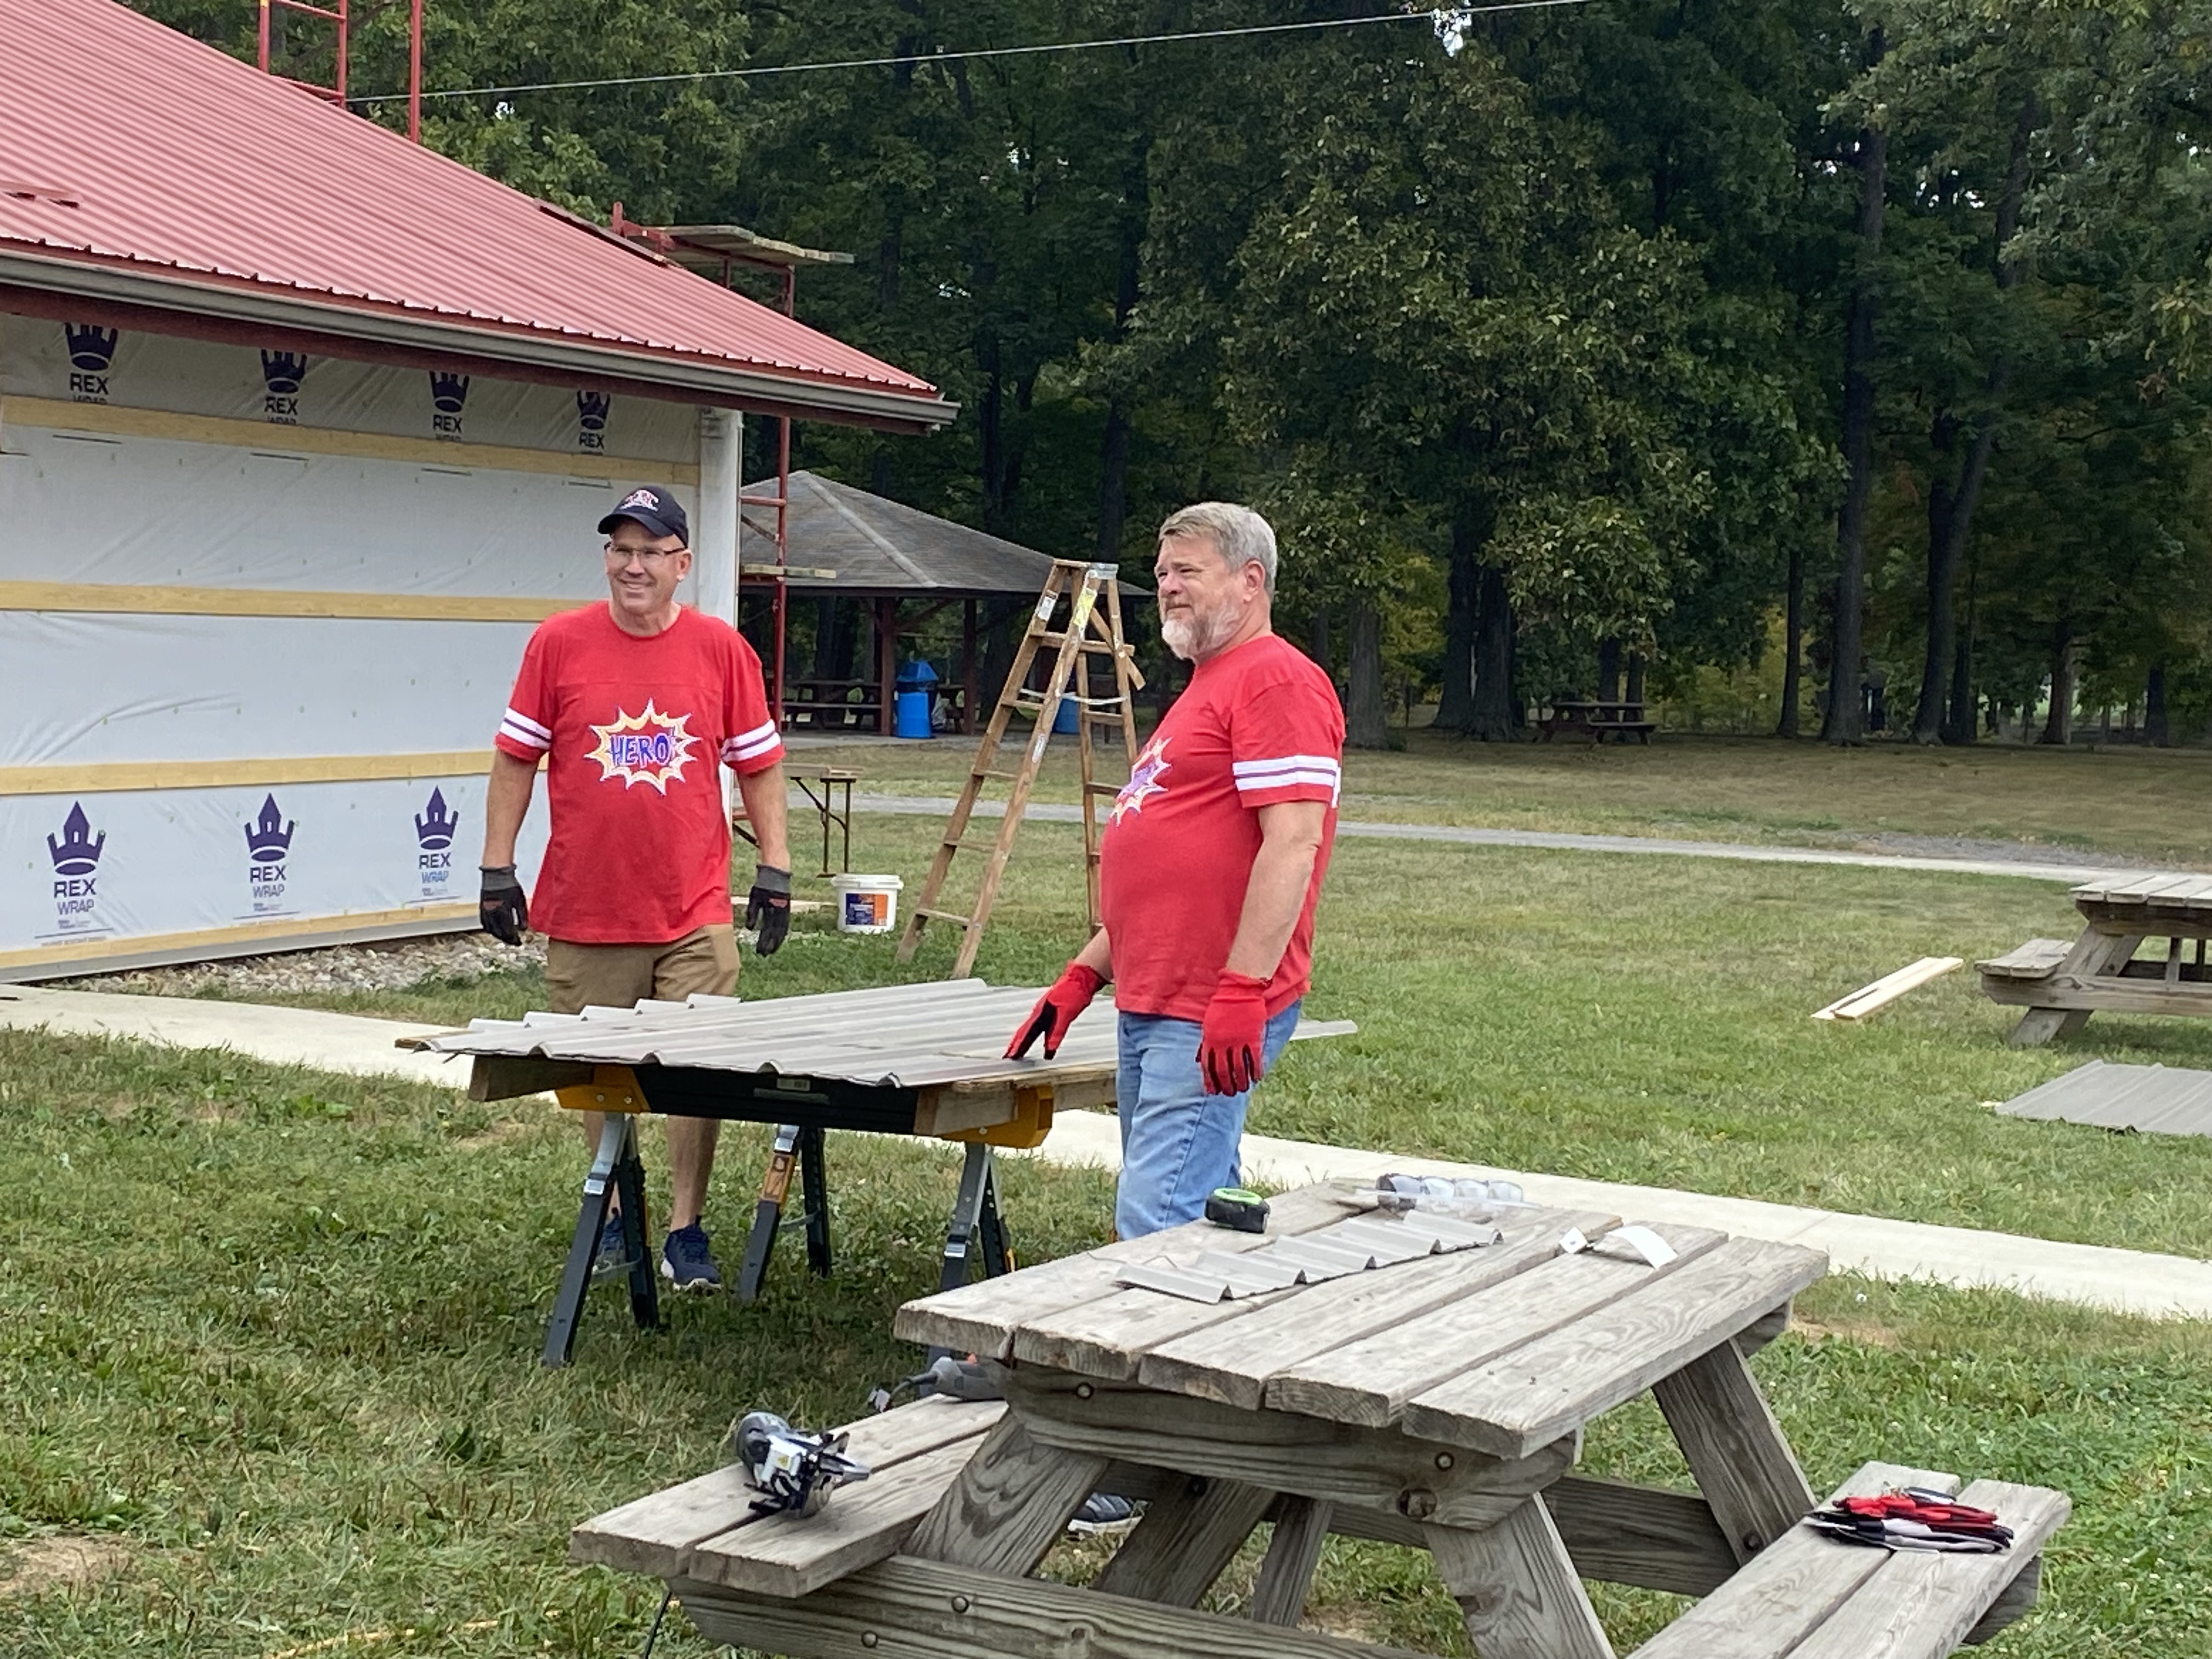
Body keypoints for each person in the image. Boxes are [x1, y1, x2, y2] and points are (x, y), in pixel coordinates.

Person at [479, 484, 792, 1293]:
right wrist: (496, 867)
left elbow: (758, 766)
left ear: (682, 564)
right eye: (621, 550)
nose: (634, 566)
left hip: (693, 908)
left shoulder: (721, 650)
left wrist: (776, 870)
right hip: (587, 908)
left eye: (652, 551)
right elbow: (516, 758)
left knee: (699, 1071)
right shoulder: (558, 643)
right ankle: (617, 1211)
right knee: (594, 1073)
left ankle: (686, 1229)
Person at [1006, 501, 1344, 1240]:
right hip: (1156, 996)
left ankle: (1152, 1319)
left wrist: (1244, 989)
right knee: (1203, 1211)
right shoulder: (1209, 683)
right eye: (1162, 574)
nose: (1167, 587)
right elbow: (1176, 868)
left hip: (1207, 1001)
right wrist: (1085, 975)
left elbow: (1293, 844)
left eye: (1187, 571)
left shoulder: (1276, 681)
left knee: (1159, 1224)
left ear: (1250, 581)